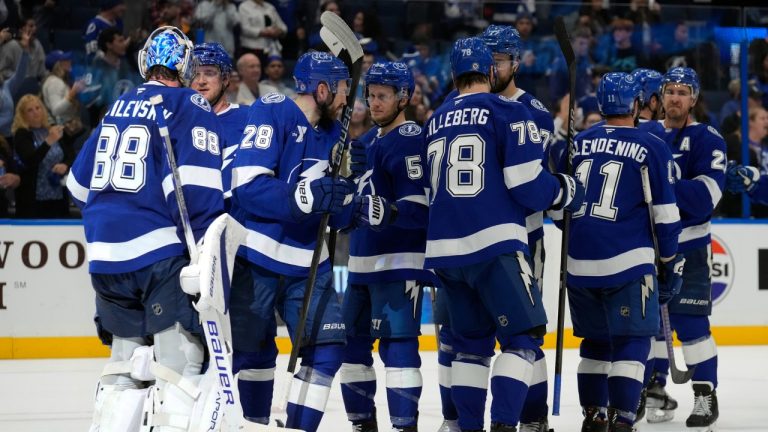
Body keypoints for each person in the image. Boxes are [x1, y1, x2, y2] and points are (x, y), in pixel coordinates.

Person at [66, 26, 224, 430]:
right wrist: (204, 257)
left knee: (124, 366)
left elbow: (77, 185)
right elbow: (196, 189)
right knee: (179, 365)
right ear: (185, 65)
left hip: (104, 256)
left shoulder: (118, 105)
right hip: (156, 255)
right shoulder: (188, 102)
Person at [422, 37, 584, 432]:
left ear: (454, 75)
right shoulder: (507, 111)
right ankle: (505, 425)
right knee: (524, 338)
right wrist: (565, 189)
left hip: (444, 252)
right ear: (491, 72)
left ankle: (468, 427)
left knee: (469, 348)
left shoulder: (434, 120)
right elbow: (526, 184)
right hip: (495, 244)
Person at [228, 51, 353, 432]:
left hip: (310, 266)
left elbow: (338, 215)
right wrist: (306, 197)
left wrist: (350, 193)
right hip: (258, 258)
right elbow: (246, 186)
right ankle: (253, 426)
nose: (348, 100)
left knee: (329, 350)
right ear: (322, 89)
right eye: (343, 90)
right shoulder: (273, 109)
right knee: (253, 356)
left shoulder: (336, 135)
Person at [556, 72, 683, 432]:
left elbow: (559, 209)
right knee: (631, 341)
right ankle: (623, 419)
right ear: (637, 105)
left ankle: (594, 417)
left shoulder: (577, 142)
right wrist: (670, 263)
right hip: (628, 263)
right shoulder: (651, 145)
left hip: (579, 265)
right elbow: (666, 216)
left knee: (594, 344)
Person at [338, 61, 434, 432]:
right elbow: (352, 211)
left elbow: (420, 209)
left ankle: (403, 426)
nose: (374, 103)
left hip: (399, 263)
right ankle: (363, 425)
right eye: (370, 95)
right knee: (351, 350)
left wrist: (387, 211)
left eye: (382, 96)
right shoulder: (364, 144)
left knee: (398, 350)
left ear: (404, 97)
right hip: (362, 262)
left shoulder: (411, 138)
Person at [639, 66, 726, 429]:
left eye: (683, 91)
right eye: (670, 90)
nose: (675, 97)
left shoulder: (708, 138)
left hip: (688, 248)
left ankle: (706, 394)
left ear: (694, 98)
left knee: (690, 323)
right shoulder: (644, 134)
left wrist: (666, 181)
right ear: (660, 96)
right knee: (647, 327)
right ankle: (654, 388)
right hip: (646, 249)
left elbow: (707, 197)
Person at [190, 42, 247, 212]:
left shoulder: (248, 118)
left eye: (209, 73)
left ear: (225, 79)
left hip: (236, 220)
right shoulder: (178, 122)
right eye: (194, 74)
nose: (200, 81)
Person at [11, 94, 71, 218]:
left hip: (58, 196)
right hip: (33, 200)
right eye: (30, 110)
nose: (35, 112)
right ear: (23, 115)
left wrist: (65, 165)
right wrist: (48, 141)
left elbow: (70, 155)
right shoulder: (22, 134)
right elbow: (31, 160)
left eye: (38, 108)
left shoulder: (51, 129)